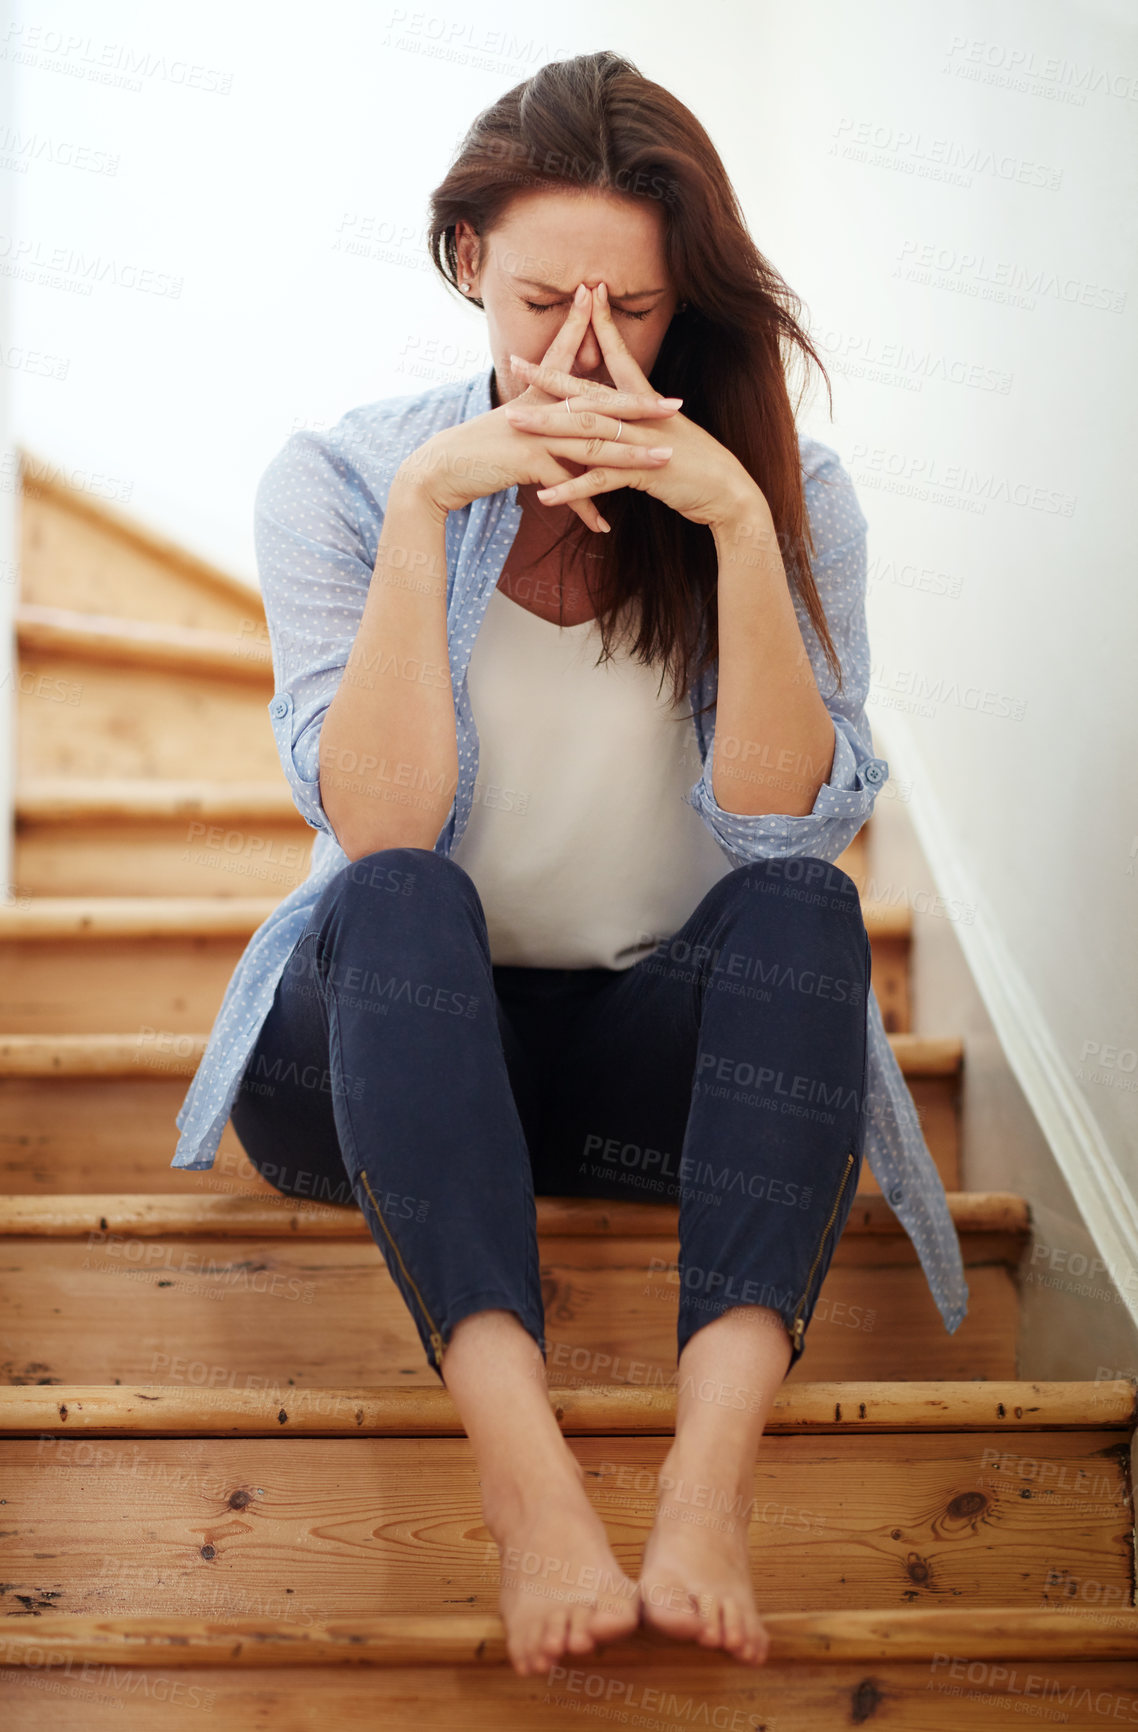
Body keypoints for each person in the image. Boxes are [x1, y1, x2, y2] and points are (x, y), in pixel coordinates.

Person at [171, 50, 969, 1679]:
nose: (586, 354)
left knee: (806, 907)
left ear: (693, 304)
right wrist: (421, 520)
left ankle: (704, 1490)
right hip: (374, 1067)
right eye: (539, 303)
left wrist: (739, 530)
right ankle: (530, 1489)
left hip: (647, 1074)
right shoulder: (340, 478)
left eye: (637, 311)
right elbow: (378, 825)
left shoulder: (785, 495)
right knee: (393, 897)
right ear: (467, 259)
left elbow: (783, 828)